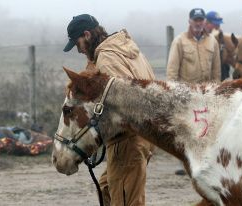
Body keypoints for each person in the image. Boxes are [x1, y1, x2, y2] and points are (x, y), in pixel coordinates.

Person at [63, 14, 155, 206]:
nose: (79, 50)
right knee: (106, 188)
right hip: (143, 135)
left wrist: (93, 134)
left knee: (124, 200)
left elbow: (126, 103)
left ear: (87, 35)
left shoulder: (107, 58)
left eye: (77, 43)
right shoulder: (125, 49)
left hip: (127, 139)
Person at [166, 8, 221, 175]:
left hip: (206, 95)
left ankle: (205, 164)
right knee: (187, 130)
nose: (198, 23)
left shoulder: (213, 42)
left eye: (201, 20)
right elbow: (172, 71)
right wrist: (173, 93)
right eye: (195, 20)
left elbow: (216, 72)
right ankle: (186, 164)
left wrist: (215, 93)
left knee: (206, 129)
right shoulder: (179, 41)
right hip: (186, 95)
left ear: (204, 22)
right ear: (189, 21)